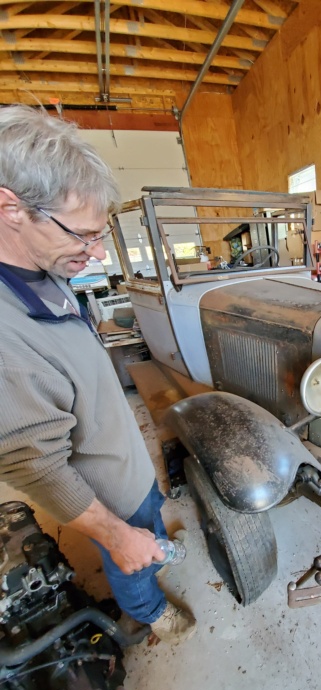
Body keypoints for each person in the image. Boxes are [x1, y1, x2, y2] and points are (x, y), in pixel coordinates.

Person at [0, 104, 196, 644]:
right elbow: (37, 466)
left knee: (148, 521)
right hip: (106, 490)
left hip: (125, 460)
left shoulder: (41, 270)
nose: (97, 252)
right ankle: (149, 609)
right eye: (83, 236)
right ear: (11, 209)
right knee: (130, 557)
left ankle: (149, 534)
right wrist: (115, 534)